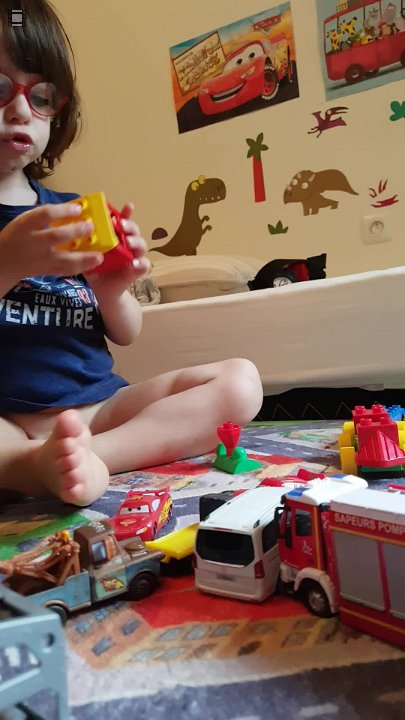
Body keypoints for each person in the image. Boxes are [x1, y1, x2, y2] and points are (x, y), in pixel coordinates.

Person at [0, 1, 263, 507]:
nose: (20, 110)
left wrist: (111, 289)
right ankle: (31, 465)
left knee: (240, 383)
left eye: (42, 95)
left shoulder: (72, 212)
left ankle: (89, 458)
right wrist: (7, 262)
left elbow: (126, 332)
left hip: (98, 409)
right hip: (7, 422)